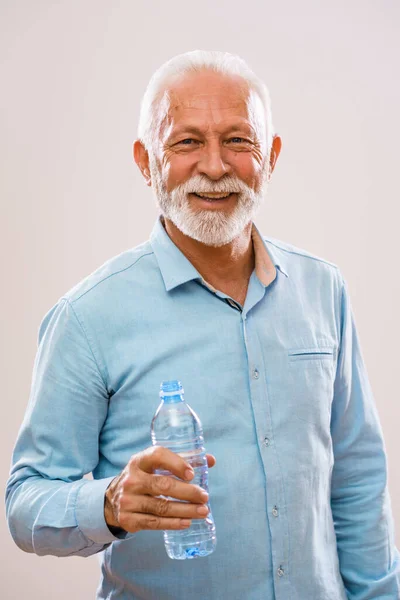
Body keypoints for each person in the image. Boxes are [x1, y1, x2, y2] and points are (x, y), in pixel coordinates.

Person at [5, 50, 400, 600]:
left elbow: (357, 479)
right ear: (146, 161)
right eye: (187, 142)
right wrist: (110, 503)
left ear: (272, 156)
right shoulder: (88, 318)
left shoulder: (322, 289)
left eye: (238, 141)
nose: (215, 167)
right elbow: (25, 503)